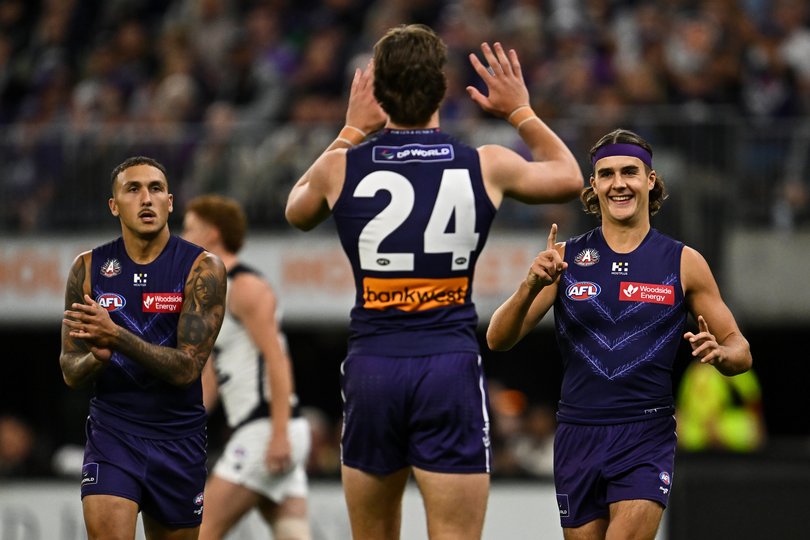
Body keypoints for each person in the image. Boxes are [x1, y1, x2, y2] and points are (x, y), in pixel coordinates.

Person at [285, 24, 583, 539]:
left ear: (379, 94)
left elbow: (296, 210)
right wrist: (519, 111)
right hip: (447, 367)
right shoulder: (485, 164)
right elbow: (568, 176)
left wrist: (352, 129)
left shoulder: (339, 168)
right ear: (441, 89)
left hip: (373, 367)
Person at [486, 128, 753, 540]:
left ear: (650, 179)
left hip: (645, 434)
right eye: (607, 174)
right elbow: (497, 339)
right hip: (577, 434)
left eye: (629, 171)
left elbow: (741, 352)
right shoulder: (565, 259)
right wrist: (530, 285)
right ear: (594, 185)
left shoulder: (684, 262)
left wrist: (721, 353)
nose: (619, 183)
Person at [59, 156, 227, 540]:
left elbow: (188, 367)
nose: (146, 199)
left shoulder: (203, 269)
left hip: (179, 440)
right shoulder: (87, 269)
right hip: (113, 434)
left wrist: (116, 338)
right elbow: (70, 368)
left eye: (155, 189)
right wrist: (95, 359)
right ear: (114, 205)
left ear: (170, 202)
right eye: (133, 189)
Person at [181, 194, 312, 540]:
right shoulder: (212, 291)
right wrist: (181, 424)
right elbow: (212, 376)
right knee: (292, 532)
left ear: (212, 233)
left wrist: (279, 435)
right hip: (268, 428)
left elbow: (276, 359)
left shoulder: (245, 286)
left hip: (266, 429)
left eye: (189, 228)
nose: (181, 236)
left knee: (200, 532)